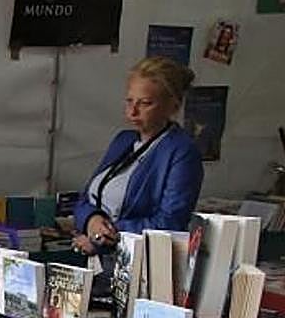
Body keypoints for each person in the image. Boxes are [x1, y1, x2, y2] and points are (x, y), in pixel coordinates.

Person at [73, 57, 203, 258]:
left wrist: (104, 235)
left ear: (173, 106)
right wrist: (91, 220)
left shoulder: (181, 151)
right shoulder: (123, 140)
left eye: (145, 103)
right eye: (129, 101)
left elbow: (170, 222)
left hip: (139, 264)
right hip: (100, 258)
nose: (133, 112)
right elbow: (85, 198)